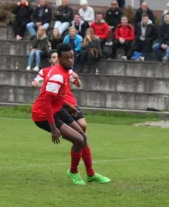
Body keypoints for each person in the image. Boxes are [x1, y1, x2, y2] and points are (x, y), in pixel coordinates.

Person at [31, 43, 110, 186]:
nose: (71, 60)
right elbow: (47, 103)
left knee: (83, 137)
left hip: (58, 109)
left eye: (72, 57)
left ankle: (91, 174)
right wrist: (53, 127)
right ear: (59, 59)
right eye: (67, 58)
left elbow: (58, 97)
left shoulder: (65, 71)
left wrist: (69, 106)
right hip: (42, 115)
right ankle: (73, 172)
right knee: (78, 140)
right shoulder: (56, 76)